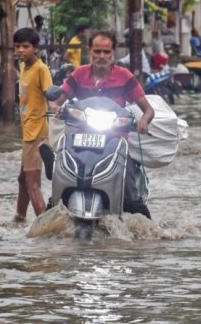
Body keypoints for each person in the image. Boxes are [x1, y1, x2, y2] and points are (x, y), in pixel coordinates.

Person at [54, 30, 155, 216]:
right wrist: (58, 109)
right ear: (89, 51)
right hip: (80, 140)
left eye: (106, 52)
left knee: (130, 194)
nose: (102, 56)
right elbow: (57, 101)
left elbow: (148, 109)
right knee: (60, 174)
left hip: (115, 141)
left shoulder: (125, 76)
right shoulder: (79, 74)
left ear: (113, 53)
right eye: (97, 51)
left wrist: (143, 120)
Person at [14, 27, 53, 221]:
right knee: (23, 179)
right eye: (18, 46)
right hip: (27, 131)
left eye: (25, 46)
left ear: (35, 48)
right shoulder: (23, 66)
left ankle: (44, 226)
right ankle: (20, 217)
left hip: (36, 133)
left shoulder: (41, 69)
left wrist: (57, 107)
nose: (21, 50)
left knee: (33, 185)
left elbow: (50, 94)